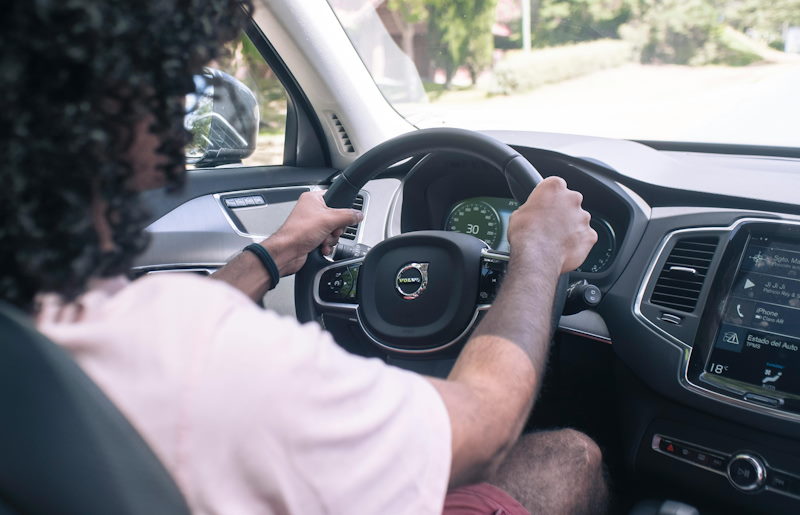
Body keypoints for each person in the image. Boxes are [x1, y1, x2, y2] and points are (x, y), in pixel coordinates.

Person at [1, 0, 607, 514]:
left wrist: (276, 252)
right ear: (109, 112)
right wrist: (539, 253)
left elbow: (159, 344)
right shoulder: (207, 356)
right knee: (572, 457)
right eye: (174, 84)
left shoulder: (47, 317)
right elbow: (479, 429)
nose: (177, 119)